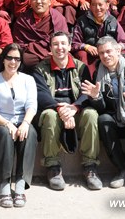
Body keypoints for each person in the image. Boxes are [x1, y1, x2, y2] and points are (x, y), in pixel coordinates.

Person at [32, 31, 102, 191]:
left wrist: (75, 108)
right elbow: (41, 95)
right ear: (50, 48)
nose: (60, 47)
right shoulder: (40, 69)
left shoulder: (81, 67)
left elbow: (86, 92)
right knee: (49, 116)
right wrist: (61, 110)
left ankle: (90, 166)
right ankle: (53, 167)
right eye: (55, 44)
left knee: (91, 114)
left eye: (63, 44)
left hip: (74, 111)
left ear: (70, 46)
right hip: (54, 111)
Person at [84, 36, 125, 188]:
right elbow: (101, 108)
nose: (105, 56)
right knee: (103, 120)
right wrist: (96, 97)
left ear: (118, 50)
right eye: (101, 53)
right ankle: (123, 169)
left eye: (108, 51)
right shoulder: (98, 73)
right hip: (113, 115)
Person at [0, 44, 37, 208]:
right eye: (9, 58)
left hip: (22, 121)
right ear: (3, 59)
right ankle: (5, 185)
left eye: (17, 59)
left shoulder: (28, 80)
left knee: (31, 134)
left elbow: (31, 106)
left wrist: (25, 123)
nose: (13, 62)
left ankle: (20, 185)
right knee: (4, 134)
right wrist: (8, 124)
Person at [12, 0, 68, 69]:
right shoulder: (23, 19)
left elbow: (63, 39)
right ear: (30, 2)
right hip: (33, 54)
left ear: (49, 1)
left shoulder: (58, 18)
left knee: (63, 56)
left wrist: (53, 51)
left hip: (53, 51)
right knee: (26, 59)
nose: (38, 1)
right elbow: (19, 43)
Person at [72, 0, 125, 67]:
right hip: (91, 54)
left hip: (109, 54)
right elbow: (74, 43)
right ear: (90, 7)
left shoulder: (112, 20)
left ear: (107, 6)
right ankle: (86, 77)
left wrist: (117, 47)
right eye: (94, 5)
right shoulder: (82, 21)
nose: (97, 8)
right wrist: (86, 47)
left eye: (100, 5)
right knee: (81, 54)